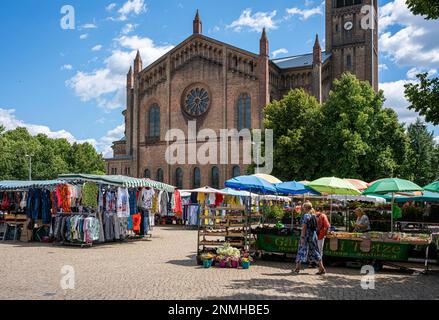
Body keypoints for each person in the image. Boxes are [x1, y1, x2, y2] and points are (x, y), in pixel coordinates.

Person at [294, 202, 326, 275]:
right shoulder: (313, 215)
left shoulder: (306, 216)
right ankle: (321, 268)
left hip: (306, 235)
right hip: (313, 235)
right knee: (315, 251)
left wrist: (302, 237)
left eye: (303, 207)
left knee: (301, 250)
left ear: (305, 208)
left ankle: (297, 268)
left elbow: (304, 227)